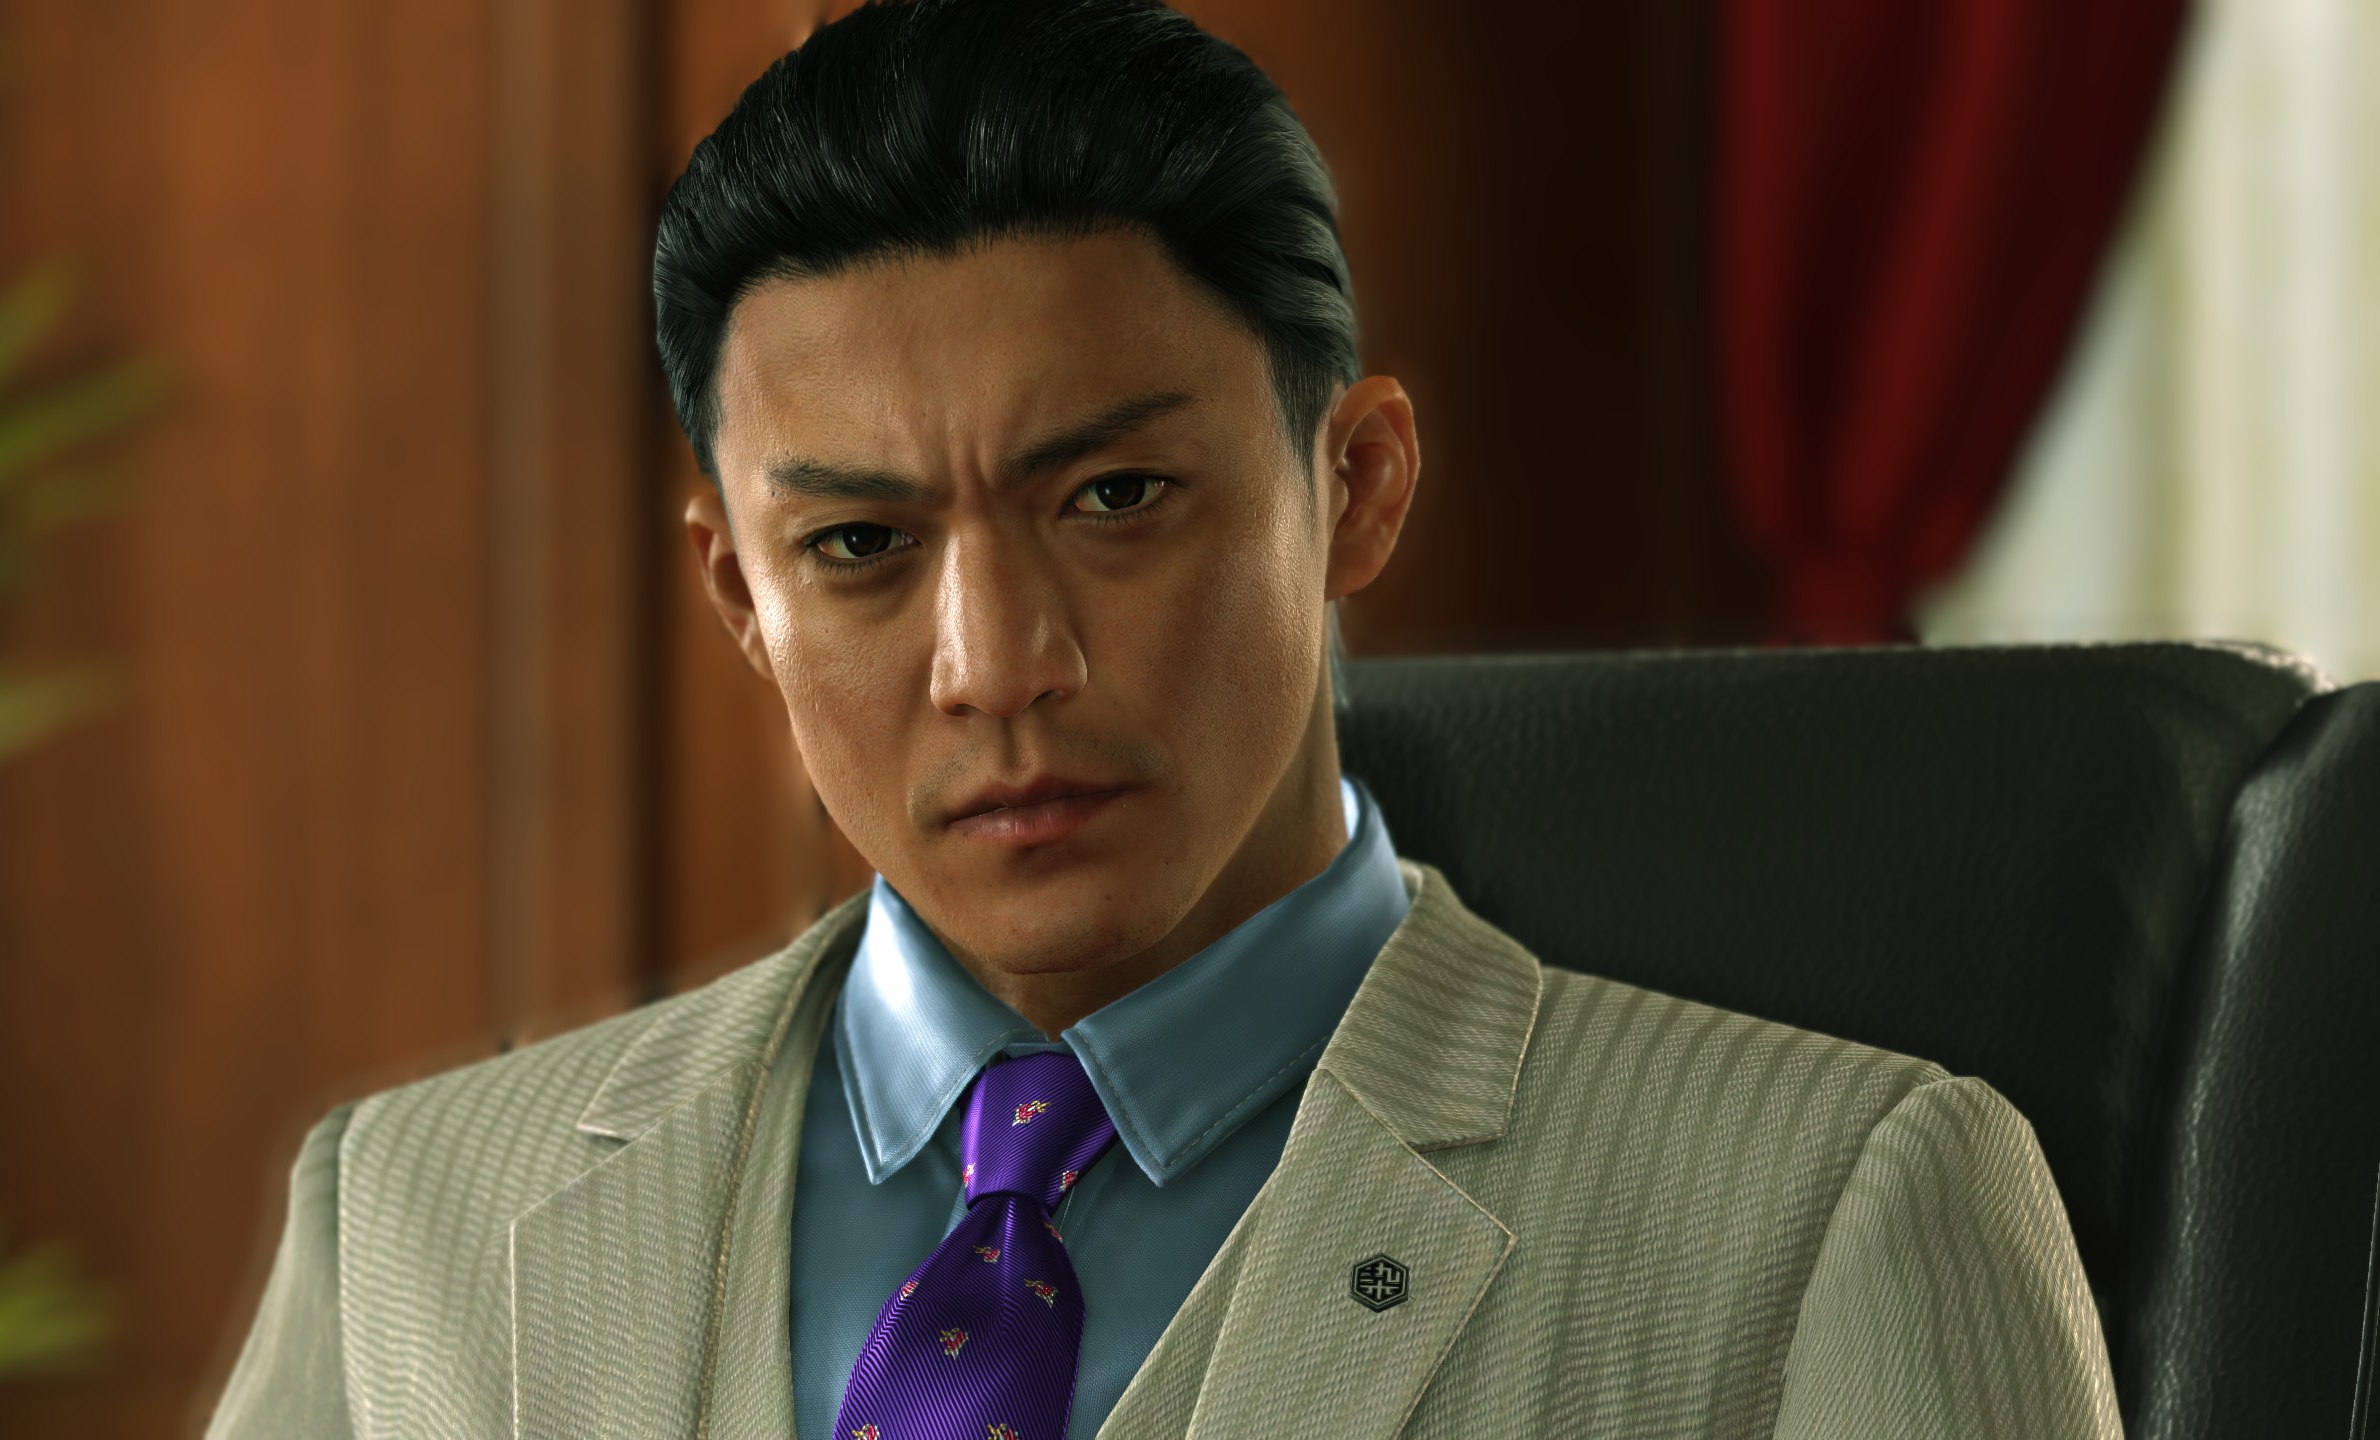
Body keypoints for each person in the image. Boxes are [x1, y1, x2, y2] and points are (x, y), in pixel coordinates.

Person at [207, 2, 2122, 1436]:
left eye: (1115, 498)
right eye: (860, 544)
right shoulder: (413, 1228)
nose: (995, 661)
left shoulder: (1831, 1215)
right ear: (739, 598)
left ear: (1355, 486)